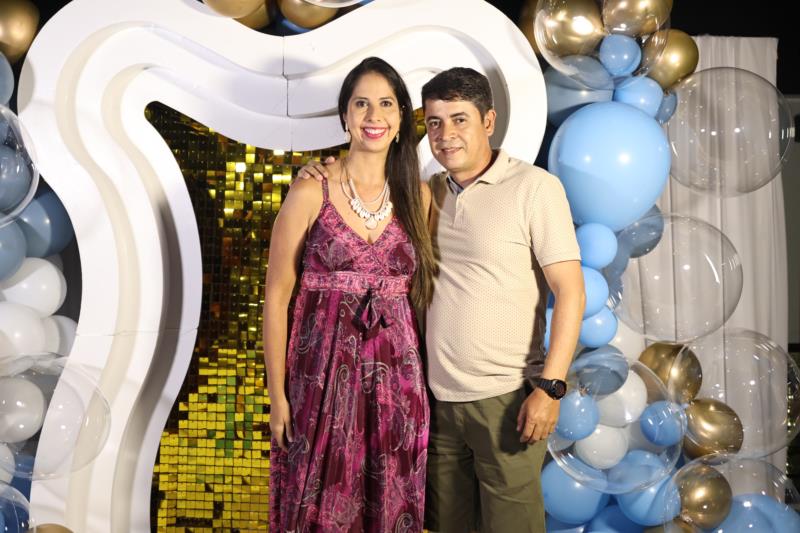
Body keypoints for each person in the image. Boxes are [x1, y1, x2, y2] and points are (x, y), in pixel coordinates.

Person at [298, 67, 585, 533]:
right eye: (434, 122)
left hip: (506, 400)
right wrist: (317, 170)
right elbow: (361, 194)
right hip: (433, 403)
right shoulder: (425, 194)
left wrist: (551, 388)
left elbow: (570, 291)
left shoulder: (534, 188)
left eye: (459, 120)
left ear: (488, 121)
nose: (446, 134)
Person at [263, 56, 436, 532]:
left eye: (386, 104)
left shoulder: (419, 196)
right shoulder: (310, 191)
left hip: (398, 386)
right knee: (317, 509)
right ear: (345, 116)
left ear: (402, 118)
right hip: (319, 383)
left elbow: (422, 299)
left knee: (389, 506)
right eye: (361, 104)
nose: (373, 115)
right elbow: (277, 298)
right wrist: (277, 396)